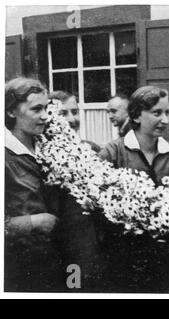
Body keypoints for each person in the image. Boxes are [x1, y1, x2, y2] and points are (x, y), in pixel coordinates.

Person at [4, 77, 102, 292]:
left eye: (47, 108)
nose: (45, 116)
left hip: (58, 259)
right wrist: (31, 222)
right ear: (11, 112)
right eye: (36, 109)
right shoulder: (6, 156)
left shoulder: (49, 148)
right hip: (19, 267)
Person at [98, 86, 169, 292]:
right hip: (124, 255)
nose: (165, 120)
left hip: (166, 255)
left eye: (167, 112)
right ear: (137, 115)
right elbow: (99, 206)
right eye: (157, 113)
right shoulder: (114, 152)